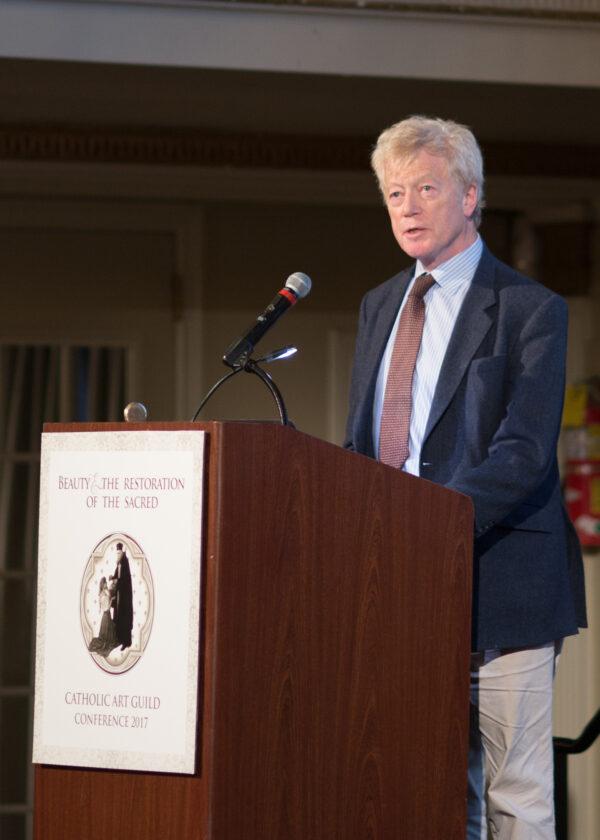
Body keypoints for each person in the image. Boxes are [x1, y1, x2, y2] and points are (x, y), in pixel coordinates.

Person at [344, 115, 587, 839]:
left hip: (502, 577)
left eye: (426, 187)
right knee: (432, 791)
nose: (409, 207)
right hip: (403, 587)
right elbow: (367, 444)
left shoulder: (529, 309)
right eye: (394, 194)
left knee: (516, 795)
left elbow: (522, 453)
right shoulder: (379, 305)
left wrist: (425, 526)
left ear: (471, 196)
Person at [109, 542, 134, 650]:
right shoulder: (119, 562)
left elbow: (124, 579)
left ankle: (126, 642)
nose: (118, 554)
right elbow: (117, 574)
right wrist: (112, 577)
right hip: (119, 595)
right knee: (118, 616)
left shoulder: (125, 563)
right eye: (117, 553)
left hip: (125, 597)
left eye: (119, 552)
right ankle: (119, 639)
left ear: (122, 553)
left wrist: (116, 580)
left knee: (124, 618)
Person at [88, 576, 118, 657]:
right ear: (103, 584)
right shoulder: (103, 594)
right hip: (106, 615)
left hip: (107, 615)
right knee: (107, 638)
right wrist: (112, 600)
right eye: (105, 583)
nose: (106, 584)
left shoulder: (105, 592)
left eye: (106, 583)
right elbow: (106, 608)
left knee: (109, 634)